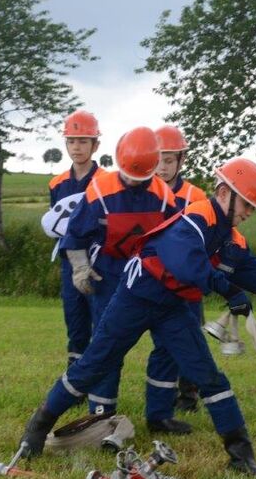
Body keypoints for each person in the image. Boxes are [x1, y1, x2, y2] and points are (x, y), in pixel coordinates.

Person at [19, 158, 256, 475]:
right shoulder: (195, 217)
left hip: (173, 307)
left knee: (209, 377)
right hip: (136, 296)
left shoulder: (230, 236)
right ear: (223, 193)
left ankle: (242, 458)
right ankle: (37, 428)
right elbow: (187, 264)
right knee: (94, 364)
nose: (247, 214)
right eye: (245, 205)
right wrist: (229, 290)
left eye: (251, 208)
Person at [60, 126, 178, 416]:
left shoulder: (164, 196)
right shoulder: (99, 190)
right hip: (109, 278)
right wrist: (80, 268)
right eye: (127, 176)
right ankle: (101, 412)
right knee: (108, 345)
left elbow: (177, 240)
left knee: (167, 343)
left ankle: (160, 416)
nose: (131, 183)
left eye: (139, 179)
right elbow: (75, 235)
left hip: (152, 279)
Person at [42, 110, 105, 367]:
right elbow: (58, 227)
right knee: (75, 323)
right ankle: (75, 381)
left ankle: (99, 381)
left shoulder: (106, 181)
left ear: (95, 144)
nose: (76, 147)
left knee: (101, 322)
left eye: (83, 141)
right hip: (69, 264)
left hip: (100, 263)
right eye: (71, 141)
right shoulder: (56, 184)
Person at [155, 125, 208, 414]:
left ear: (180, 161)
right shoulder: (144, 192)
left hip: (187, 281)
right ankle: (161, 394)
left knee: (190, 336)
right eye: (158, 159)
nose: (162, 167)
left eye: (169, 160)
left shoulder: (195, 196)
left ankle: (188, 395)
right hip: (153, 279)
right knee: (161, 340)